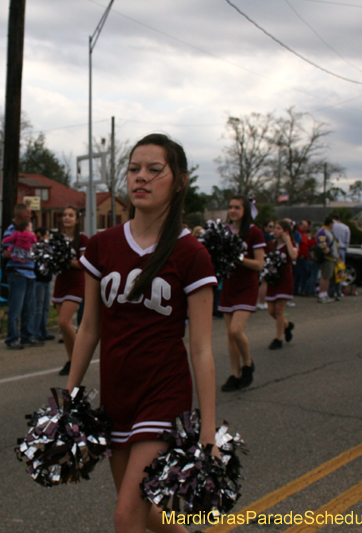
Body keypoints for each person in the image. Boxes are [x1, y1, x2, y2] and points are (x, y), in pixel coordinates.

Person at [67, 133, 218, 533]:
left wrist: (207, 430)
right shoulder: (102, 245)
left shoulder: (191, 254)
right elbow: (89, 328)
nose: (141, 177)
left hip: (163, 393)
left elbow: (201, 348)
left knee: (125, 516)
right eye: (134, 169)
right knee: (140, 510)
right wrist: (69, 396)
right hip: (117, 394)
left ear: (180, 181)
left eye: (154, 170)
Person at [219, 196, 265, 391]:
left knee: (235, 330)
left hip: (247, 286)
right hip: (229, 285)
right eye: (230, 207)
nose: (232, 211)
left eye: (237, 207)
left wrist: (238, 258)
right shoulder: (224, 231)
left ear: (245, 211)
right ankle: (235, 374)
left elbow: (259, 264)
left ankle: (248, 363)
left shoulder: (255, 232)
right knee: (230, 336)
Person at [52, 206, 88, 376]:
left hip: (75, 282)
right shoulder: (57, 238)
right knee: (64, 328)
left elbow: (83, 263)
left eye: (70, 215)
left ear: (77, 219)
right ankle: (71, 360)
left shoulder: (82, 239)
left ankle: (82, 356)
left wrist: (65, 260)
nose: (66, 217)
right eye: (65, 215)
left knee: (63, 322)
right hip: (60, 281)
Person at [2, 203, 42, 350]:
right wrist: (22, 253)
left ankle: (27, 336)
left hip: (30, 273)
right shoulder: (11, 231)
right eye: (28, 213)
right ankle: (12, 338)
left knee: (29, 308)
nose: (31, 215)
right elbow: (5, 252)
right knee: (16, 307)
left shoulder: (30, 231)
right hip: (17, 273)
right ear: (22, 215)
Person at [266, 220, 298, 349]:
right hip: (273, 280)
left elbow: (294, 256)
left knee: (280, 310)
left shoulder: (290, 244)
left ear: (285, 231)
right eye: (275, 228)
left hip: (285, 279)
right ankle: (287, 325)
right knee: (271, 310)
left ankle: (278, 338)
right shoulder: (271, 244)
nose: (275, 230)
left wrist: (288, 240)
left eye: (279, 228)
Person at [32, 227, 54, 342]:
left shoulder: (47, 247)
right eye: (46, 235)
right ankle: (36, 332)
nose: (48, 238)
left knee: (45, 308)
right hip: (39, 280)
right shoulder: (36, 247)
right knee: (38, 308)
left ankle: (43, 330)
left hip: (46, 280)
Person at [316, 217, 339, 303]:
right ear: (330, 224)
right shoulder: (323, 231)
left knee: (327, 277)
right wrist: (330, 252)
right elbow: (322, 244)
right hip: (327, 258)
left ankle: (324, 294)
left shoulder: (327, 231)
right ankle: (321, 295)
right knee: (325, 277)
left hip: (331, 258)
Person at [331, 214, 350, 299]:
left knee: (332, 270)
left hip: (333, 249)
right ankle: (340, 290)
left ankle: (332, 291)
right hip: (342, 249)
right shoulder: (345, 227)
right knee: (340, 270)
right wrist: (346, 248)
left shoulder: (331, 227)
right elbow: (347, 240)